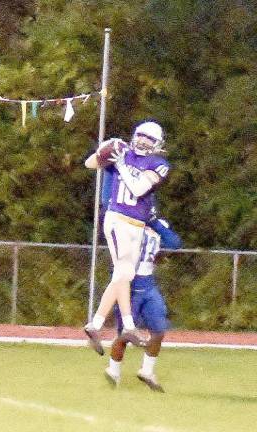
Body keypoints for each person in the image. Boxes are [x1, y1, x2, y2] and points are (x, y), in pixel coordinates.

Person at [84, 121, 170, 355]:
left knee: (124, 275)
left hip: (137, 224)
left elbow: (139, 188)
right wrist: (104, 151)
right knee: (124, 273)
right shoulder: (124, 154)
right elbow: (90, 164)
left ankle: (96, 324)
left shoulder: (158, 164)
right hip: (118, 218)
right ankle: (129, 326)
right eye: (140, 136)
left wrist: (120, 163)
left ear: (157, 144)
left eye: (149, 139)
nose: (143, 141)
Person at [105, 218, 182, 392]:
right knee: (125, 333)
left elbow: (175, 243)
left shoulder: (157, 224)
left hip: (148, 284)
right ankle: (113, 371)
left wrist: (155, 224)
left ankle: (147, 371)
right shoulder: (126, 223)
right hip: (129, 283)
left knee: (159, 329)